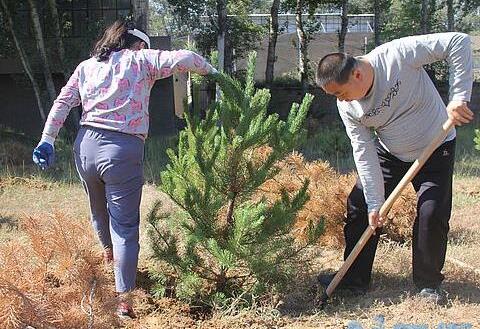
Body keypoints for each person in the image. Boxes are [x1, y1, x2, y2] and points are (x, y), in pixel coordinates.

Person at [32, 19, 217, 318]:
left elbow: (63, 102)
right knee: (126, 227)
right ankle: (124, 300)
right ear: (137, 44)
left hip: (86, 146)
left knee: (97, 209)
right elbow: (186, 58)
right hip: (122, 150)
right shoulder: (141, 60)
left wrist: (47, 140)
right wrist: (213, 72)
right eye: (144, 46)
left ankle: (108, 254)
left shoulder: (86, 66)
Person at [315, 32, 474, 304]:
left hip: (436, 146)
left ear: (356, 76)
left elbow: (457, 42)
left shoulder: (398, 55)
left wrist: (459, 96)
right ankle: (352, 280)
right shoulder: (349, 109)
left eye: (340, 93)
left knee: (431, 212)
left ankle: (428, 285)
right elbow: (363, 151)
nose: (340, 101)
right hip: (390, 152)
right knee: (360, 203)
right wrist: (376, 203)